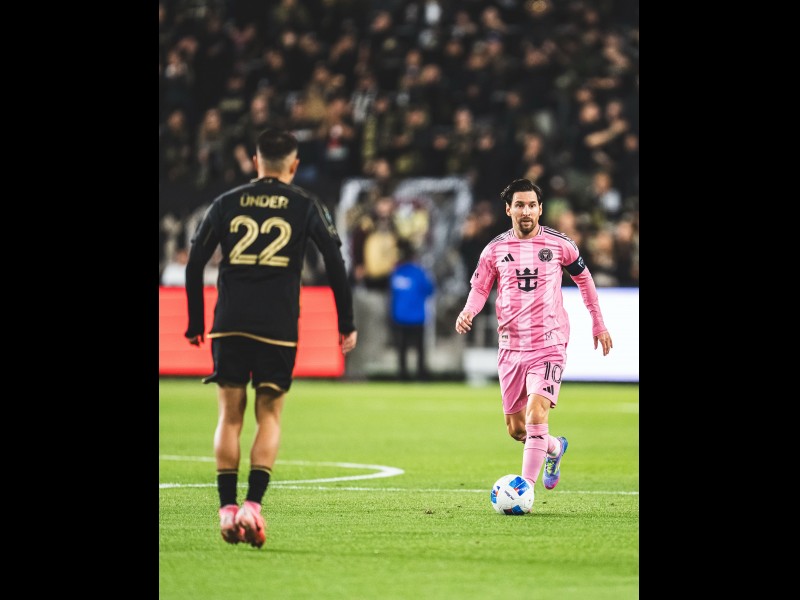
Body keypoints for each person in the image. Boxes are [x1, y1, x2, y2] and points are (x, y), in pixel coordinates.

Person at [184, 128, 358, 548]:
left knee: (229, 417)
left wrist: (195, 322)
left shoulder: (226, 202)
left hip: (230, 321)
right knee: (269, 415)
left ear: (255, 162)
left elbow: (194, 263)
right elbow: (334, 262)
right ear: (294, 166)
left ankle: (227, 511)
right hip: (277, 326)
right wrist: (345, 322)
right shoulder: (305, 204)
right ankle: (252, 506)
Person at [454, 178, 612, 493]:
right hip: (511, 347)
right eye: (519, 205)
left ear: (540, 209)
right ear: (508, 210)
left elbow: (585, 280)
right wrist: (468, 311)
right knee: (517, 429)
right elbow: (480, 288)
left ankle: (524, 488)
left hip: (549, 343)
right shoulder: (494, 249)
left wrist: (598, 322)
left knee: (537, 412)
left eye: (531, 205)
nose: (525, 211)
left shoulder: (560, 244)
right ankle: (555, 447)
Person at [389, 240, 435, 381]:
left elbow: (392, 294)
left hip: (400, 316)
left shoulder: (396, 273)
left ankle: (402, 374)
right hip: (417, 316)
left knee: (402, 347)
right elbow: (429, 290)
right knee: (420, 348)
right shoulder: (419, 272)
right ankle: (421, 374)